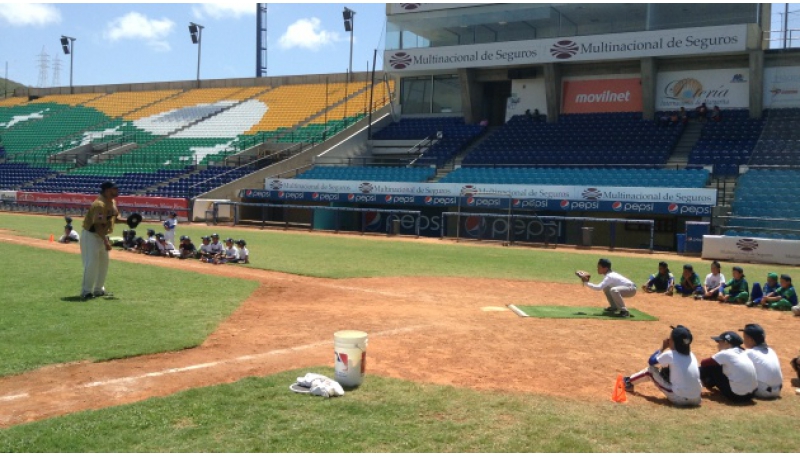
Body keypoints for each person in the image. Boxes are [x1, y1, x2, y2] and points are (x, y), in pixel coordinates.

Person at [623, 325, 702, 407]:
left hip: (679, 399)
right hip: (697, 399)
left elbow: (651, 362)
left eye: (670, 338)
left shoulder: (670, 354)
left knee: (650, 371)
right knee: (669, 371)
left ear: (672, 342)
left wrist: (662, 348)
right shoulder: (692, 355)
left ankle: (628, 382)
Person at [80, 181, 124, 300]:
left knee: (103, 263)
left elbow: (115, 217)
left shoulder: (112, 202)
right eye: (114, 188)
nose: (117, 190)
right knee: (91, 264)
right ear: (107, 190)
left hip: (102, 235)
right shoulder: (99, 204)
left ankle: (99, 289)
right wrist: (105, 241)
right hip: (91, 235)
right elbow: (98, 226)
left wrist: (129, 221)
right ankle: (86, 291)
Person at [699, 331, 757, 402]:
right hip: (751, 395)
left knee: (712, 367)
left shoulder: (726, 353)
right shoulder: (744, 353)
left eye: (719, 342)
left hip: (736, 396)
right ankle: (708, 382)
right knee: (721, 366)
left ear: (726, 342)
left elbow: (704, 363)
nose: (718, 345)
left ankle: (695, 383)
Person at [740, 324, 783, 399]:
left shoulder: (750, 352)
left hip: (762, 391)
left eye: (745, 338)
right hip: (777, 391)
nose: (743, 341)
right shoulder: (771, 350)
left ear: (750, 340)